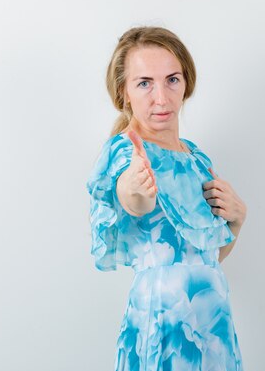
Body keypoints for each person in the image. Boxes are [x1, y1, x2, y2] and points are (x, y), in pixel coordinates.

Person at [86, 26, 247, 370]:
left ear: (186, 82)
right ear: (124, 92)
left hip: (213, 321)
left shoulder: (197, 158)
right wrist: (136, 191)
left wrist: (236, 221)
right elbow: (132, 198)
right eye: (144, 83)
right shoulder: (126, 151)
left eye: (172, 80)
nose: (161, 97)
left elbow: (206, 255)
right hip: (162, 321)